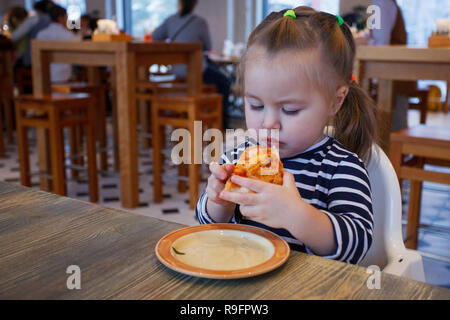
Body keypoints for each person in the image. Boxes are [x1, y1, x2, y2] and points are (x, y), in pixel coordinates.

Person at [195, 7, 377, 265]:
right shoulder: (237, 156)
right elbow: (206, 223)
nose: (269, 123)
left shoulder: (341, 167)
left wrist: (296, 215)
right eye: (256, 106)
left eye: (289, 110)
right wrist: (217, 202)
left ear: (335, 101)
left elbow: (357, 245)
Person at [151, 0, 232, 128]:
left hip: (176, 72)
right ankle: (222, 125)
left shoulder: (170, 20)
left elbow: (155, 36)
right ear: (195, 4)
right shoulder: (199, 22)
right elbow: (208, 46)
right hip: (197, 72)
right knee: (225, 82)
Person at [370, 0, 411, 132]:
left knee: (392, 124)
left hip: (392, 71)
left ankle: (394, 150)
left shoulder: (381, 2)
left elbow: (381, 42)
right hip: (397, 70)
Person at [36, 5, 78, 83]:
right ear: (60, 18)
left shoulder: (41, 34)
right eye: (66, 17)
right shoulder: (67, 35)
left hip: (44, 73)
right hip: (63, 74)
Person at [11, 0, 54, 67]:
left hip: (34, 57)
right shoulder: (54, 20)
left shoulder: (34, 19)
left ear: (38, 10)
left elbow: (14, 37)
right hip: (52, 57)